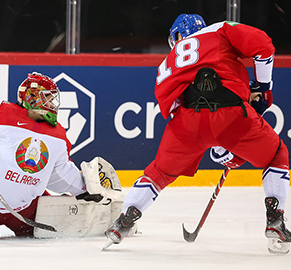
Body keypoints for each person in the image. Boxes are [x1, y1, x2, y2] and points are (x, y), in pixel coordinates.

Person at [104, 14, 290, 250]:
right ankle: (275, 220)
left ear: (178, 35)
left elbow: (170, 105)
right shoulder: (221, 30)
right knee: (276, 155)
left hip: (187, 123)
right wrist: (262, 87)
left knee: (159, 172)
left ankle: (123, 221)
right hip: (231, 114)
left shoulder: (168, 62)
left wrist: (207, 133)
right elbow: (264, 47)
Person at [0, 72, 120, 237]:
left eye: (53, 99)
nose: (52, 103)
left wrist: (85, 188)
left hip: (24, 211)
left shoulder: (58, 135)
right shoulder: (1, 112)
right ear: (31, 97)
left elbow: (59, 174)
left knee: (60, 231)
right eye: (47, 98)